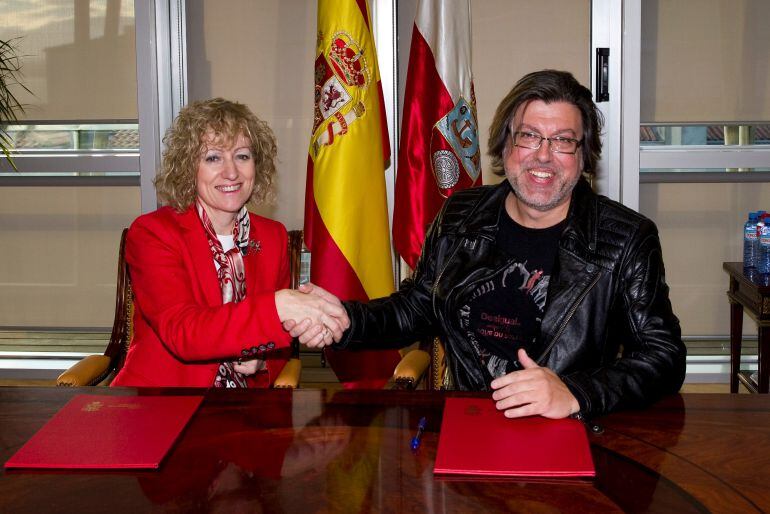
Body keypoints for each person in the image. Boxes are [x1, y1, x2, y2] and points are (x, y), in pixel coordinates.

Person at [289, 70, 686, 419]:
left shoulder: (626, 238)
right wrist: (346, 321)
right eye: (529, 136)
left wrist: (576, 393)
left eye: (563, 141)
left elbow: (663, 357)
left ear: (583, 157)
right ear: (506, 146)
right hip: (468, 418)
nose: (544, 156)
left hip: (570, 429)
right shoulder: (461, 214)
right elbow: (415, 310)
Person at [112, 98, 346, 388]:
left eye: (242, 156)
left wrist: (264, 357)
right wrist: (281, 305)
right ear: (188, 167)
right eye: (213, 158)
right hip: (163, 404)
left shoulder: (273, 236)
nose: (232, 172)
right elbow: (184, 332)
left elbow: (280, 342)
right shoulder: (153, 233)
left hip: (246, 411)